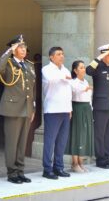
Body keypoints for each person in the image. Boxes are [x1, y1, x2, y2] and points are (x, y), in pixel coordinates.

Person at [0, 34, 36, 184]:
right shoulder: (9, 63)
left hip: (26, 108)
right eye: (20, 47)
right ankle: (11, 172)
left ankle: (20, 170)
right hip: (12, 108)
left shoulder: (29, 65)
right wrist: (8, 52)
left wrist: (33, 107)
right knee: (12, 142)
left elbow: (33, 88)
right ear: (13, 50)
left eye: (24, 47)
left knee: (22, 142)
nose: (23, 50)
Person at [86, 44, 109, 169]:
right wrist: (100, 57)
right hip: (101, 106)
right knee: (99, 133)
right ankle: (100, 159)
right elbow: (88, 70)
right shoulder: (98, 67)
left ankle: (107, 157)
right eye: (108, 54)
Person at [41, 47, 72, 180]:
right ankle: (47, 169)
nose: (62, 56)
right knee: (50, 140)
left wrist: (70, 108)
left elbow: (69, 90)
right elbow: (51, 79)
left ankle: (58, 167)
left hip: (65, 109)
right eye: (58, 54)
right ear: (51, 57)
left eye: (63, 54)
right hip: (52, 110)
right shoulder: (47, 69)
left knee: (62, 141)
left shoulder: (65, 69)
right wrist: (63, 76)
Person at [66, 60, 94, 173]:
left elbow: (89, 99)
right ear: (75, 70)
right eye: (81, 67)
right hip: (77, 108)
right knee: (76, 135)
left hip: (86, 109)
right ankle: (74, 163)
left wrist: (90, 110)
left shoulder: (86, 81)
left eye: (84, 67)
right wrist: (84, 90)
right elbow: (73, 94)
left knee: (84, 135)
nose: (83, 69)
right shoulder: (72, 82)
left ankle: (81, 162)